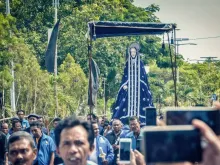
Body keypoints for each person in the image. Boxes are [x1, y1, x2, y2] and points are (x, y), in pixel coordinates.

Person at [111, 43, 154, 125]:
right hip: (129, 88)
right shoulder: (127, 63)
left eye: (134, 52)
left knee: (143, 104)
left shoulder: (140, 63)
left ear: (136, 52)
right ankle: (125, 121)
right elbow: (125, 76)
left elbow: (143, 76)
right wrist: (125, 85)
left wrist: (141, 85)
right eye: (131, 52)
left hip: (139, 88)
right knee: (124, 104)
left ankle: (141, 121)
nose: (132, 53)